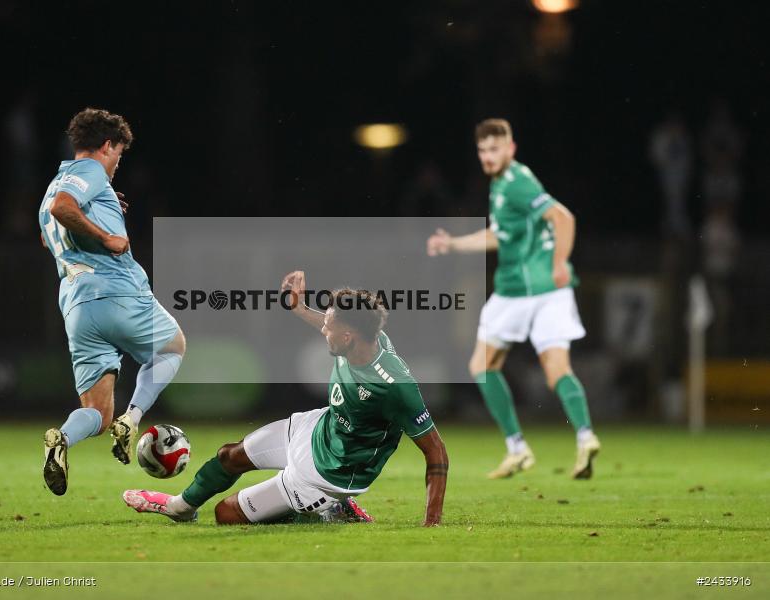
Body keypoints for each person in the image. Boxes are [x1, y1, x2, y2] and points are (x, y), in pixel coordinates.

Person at [122, 271, 448, 526]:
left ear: (348, 336)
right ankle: (180, 508)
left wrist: (431, 522)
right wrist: (298, 307)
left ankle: (324, 509)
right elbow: (327, 321)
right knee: (229, 455)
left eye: (330, 326)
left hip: (328, 474)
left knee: (226, 514)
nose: (323, 329)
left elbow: (436, 452)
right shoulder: (361, 336)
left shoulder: (394, 385)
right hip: (319, 427)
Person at [427, 118, 600, 480]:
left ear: (511, 148)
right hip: (544, 293)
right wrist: (455, 243)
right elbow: (499, 235)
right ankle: (585, 438)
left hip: (523, 291)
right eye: (483, 150)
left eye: (495, 149)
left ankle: (517, 447)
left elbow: (563, 218)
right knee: (557, 372)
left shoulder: (518, 181)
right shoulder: (502, 184)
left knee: (482, 365)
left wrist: (559, 265)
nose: (489, 156)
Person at [37, 108, 186, 495]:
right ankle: (133, 418)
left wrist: (100, 210)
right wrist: (106, 238)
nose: (118, 162)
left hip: (76, 306)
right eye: (119, 153)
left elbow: (50, 232)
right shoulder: (88, 174)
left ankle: (63, 440)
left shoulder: (54, 185)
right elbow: (64, 209)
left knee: (98, 414)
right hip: (116, 291)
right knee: (173, 347)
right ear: (107, 145)